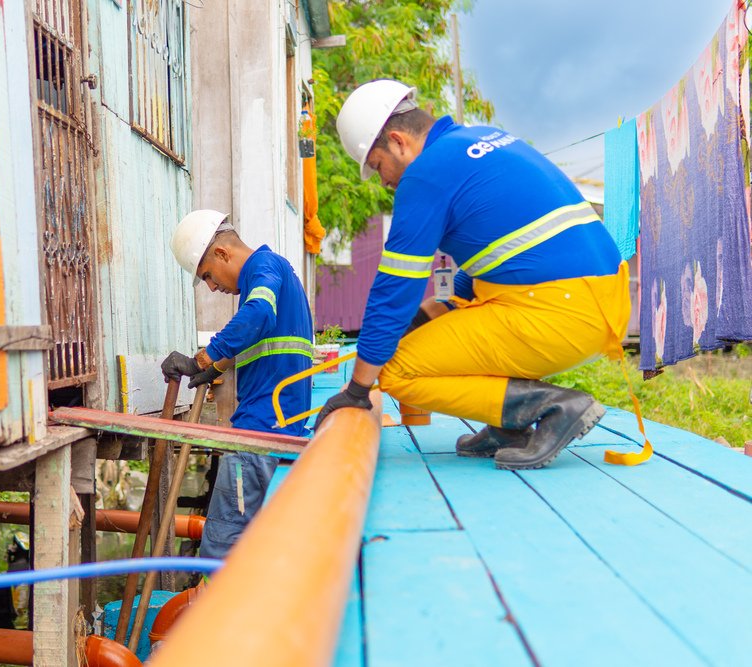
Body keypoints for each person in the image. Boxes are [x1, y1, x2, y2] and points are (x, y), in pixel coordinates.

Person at [315, 79, 630, 470]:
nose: (384, 181)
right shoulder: (481, 139)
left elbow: (395, 287)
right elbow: (501, 257)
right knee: (435, 328)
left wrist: (358, 389)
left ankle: (553, 407)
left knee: (396, 371)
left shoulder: (425, 175)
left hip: (560, 310)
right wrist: (431, 314)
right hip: (598, 300)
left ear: (397, 141)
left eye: (378, 166)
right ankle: (508, 425)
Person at [161, 210, 313, 558]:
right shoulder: (277, 273)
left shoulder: (264, 268)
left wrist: (203, 359)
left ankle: (211, 594)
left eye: (208, 276)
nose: (213, 287)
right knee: (253, 545)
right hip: (277, 427)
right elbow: (264, 337)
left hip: (258, 432)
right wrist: (216, 367)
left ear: (222, 253)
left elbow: (259, 314)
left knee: (221, 547)